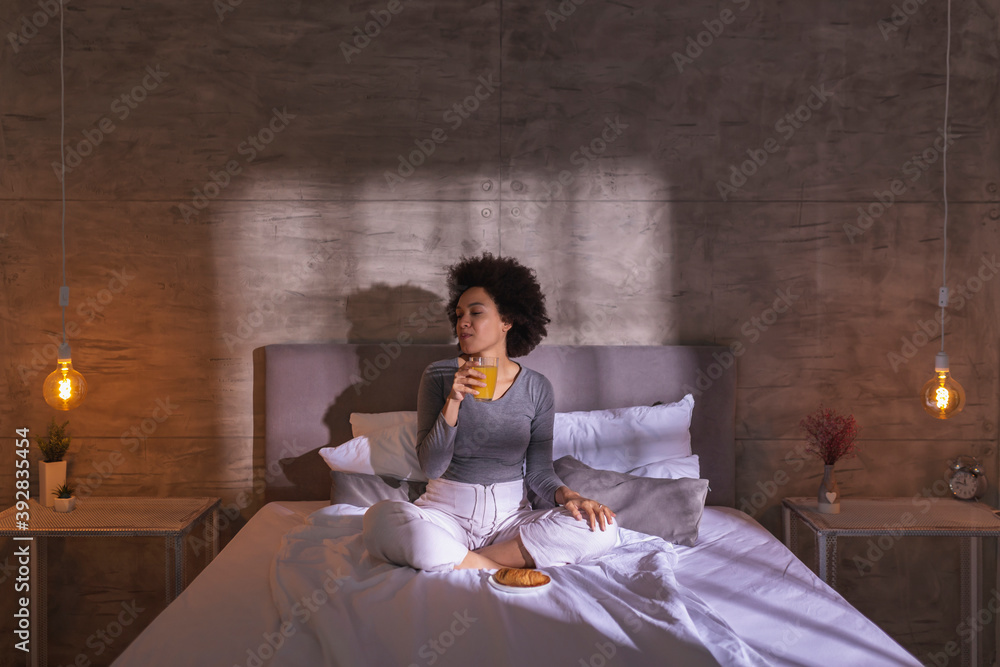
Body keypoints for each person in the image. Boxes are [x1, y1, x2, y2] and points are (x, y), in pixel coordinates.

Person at [362, 252, 618, 572]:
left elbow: (538, 472)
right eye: (458, 314)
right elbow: (431, 466)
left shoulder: (537, 388)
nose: (463, 322)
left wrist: (570, 496)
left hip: (510, 521)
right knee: (379, 519)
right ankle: (492, 565)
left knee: (603, 529)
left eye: (475, 312)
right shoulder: (439, 376)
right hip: (445, 514)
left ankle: (460, 560)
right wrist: (453, 401)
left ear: (506, 321)